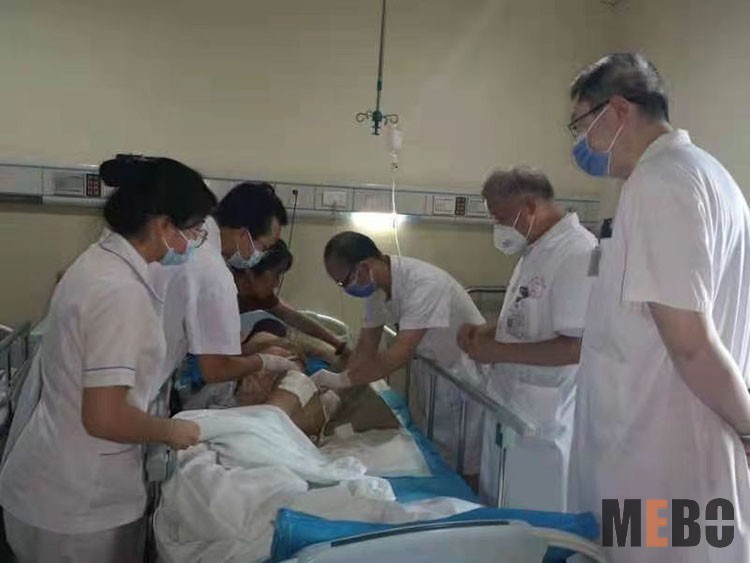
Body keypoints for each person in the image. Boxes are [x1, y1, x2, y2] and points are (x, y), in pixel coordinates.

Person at [566, 53, 750, 561]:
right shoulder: (708, 175)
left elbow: (691, 345)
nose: (581, 143)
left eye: (581, 125)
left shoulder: (660, 182)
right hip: (671, 449)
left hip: (660, 459)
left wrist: (749, 427)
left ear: (617, 110)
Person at [0, 155, 216, 562]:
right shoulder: (118, 291)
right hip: (77, 505)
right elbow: (104, 417)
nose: (196, 241)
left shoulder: (100, 262)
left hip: (58, 484)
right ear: (163, 225)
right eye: (194, 230)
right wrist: (170, 430)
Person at [457, 167, 595, 511]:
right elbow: (526, 316)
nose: (499, 227)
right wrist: (487, 331)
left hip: (544, 417)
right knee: (503, 504)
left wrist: (496, 351)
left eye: (502, 217)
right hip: (512, 407)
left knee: (535, 516)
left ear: (530, 207)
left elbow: (576, 347)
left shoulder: (578, 253)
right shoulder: (536, 250)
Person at [319, 231, 486, 475]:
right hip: (436, 376)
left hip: (466, 379)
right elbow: (365, 347)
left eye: (345, 282)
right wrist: (338, 385)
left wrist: (340, 381)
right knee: (443, 455)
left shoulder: (425, 284)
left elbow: (400, 352)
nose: (346, 290)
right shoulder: (377, 290)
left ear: (364, 267)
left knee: (468, 463)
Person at [151, 181, 299, 410]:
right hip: (144, 380)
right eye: (263, 247)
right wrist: (264, 361)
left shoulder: (187, 241)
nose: (260, 256)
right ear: (243, 234)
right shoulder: (214, 273)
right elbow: (216, 369)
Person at [234, 239, 350, 358]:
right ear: (250, 272)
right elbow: (223, 357)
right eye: (276, 274)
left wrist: (338, 344)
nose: (277, 283)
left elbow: (294, 318)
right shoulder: (225, 295)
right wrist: (267, 345)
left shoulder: (257, 294)